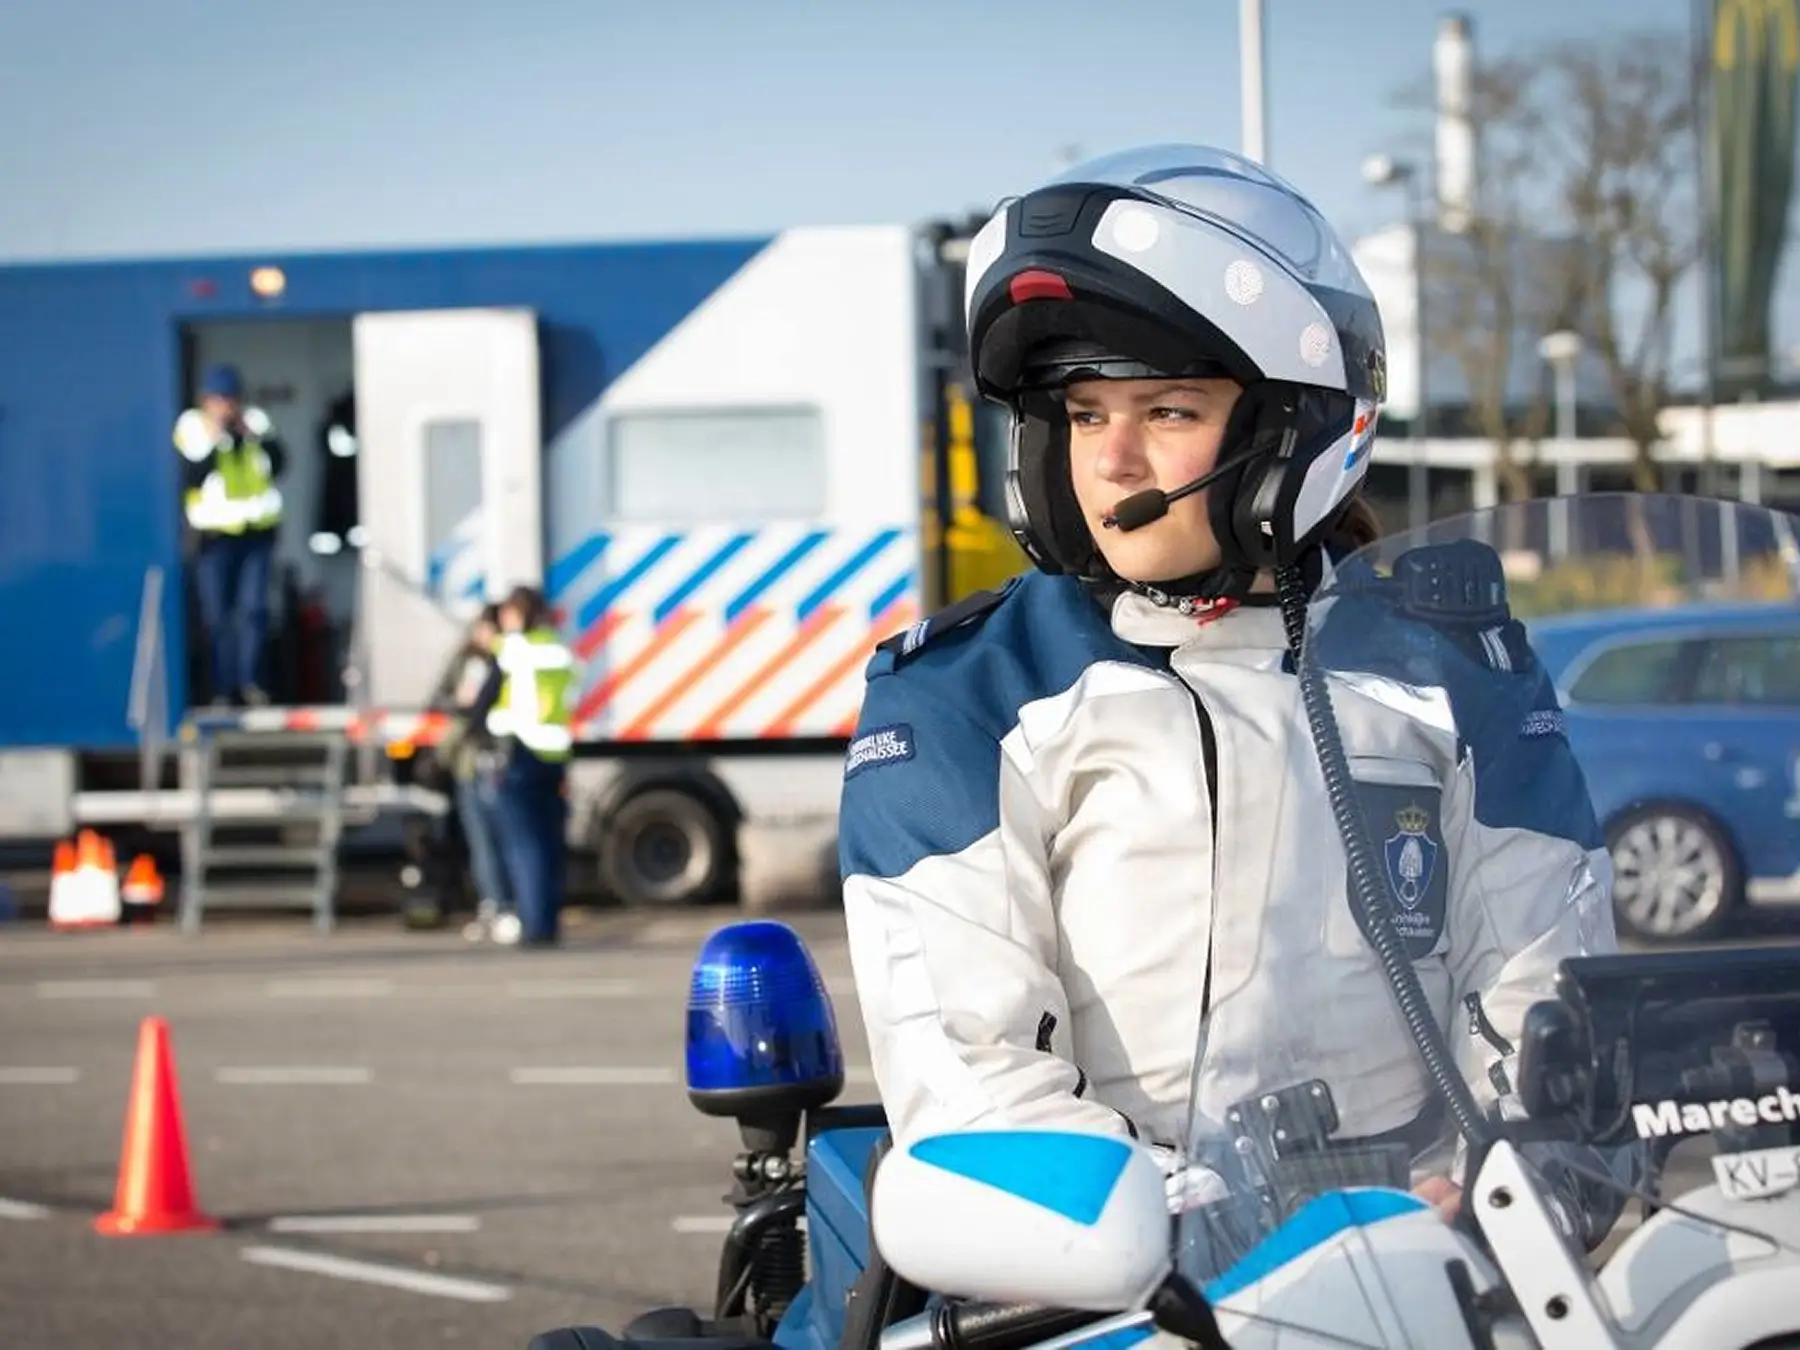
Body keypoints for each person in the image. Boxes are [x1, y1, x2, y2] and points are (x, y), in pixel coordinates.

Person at [837, 145, 1632, 1247]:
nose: (1112, 460)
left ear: (1287, 431)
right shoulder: (967, 698)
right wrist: (1187, 1234)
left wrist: (1495, 1186)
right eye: (1083, 413)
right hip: (1121, 1276)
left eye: (1166, 411)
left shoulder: (1452, 672)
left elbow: (1548, 993)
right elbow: (973, 1076)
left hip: (1425, 1261)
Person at [467, 585, 577, 948]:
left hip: (520, 754)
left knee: (523, 846)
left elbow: (481, 704)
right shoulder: (557, 649)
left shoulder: (512, 649)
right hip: (555, 755)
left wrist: (481, 729)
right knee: (549, 844)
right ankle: (549, 921)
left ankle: (534, 926)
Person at [173, 363, 286, 707]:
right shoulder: (193, 428)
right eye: (218, 399)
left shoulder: (256, 423)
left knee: (254, 611)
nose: (226, 406)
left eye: (231, 399)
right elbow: (191, 475)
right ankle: (222, 689)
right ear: (205, 400)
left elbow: (280, 463)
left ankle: (251, 683)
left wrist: (252, 436)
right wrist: (216, 439)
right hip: (214, 539)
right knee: (217, 616)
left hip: (256, 534)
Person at [429, 605, 521, 944]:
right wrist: (460, 705)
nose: (483, 635)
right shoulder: (469, 661)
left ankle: (504, 905)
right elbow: (443, 698)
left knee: (496, 837)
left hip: (489, 759)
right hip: (470, 761)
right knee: (480, 839)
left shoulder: (502, 662)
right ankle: (492, 904)